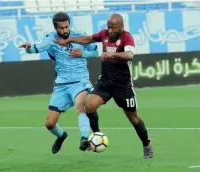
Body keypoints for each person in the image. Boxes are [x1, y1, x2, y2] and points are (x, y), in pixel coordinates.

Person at [54, 13, 154, 159]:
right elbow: (87, 39)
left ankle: (146, 144)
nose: (110, 31)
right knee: (89, 105)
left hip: (123, 85)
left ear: (121, 27)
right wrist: (69, 39)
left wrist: (111, 55)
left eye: (113, 28)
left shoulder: (127, 37)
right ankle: (97, 135)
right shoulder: (104, 34)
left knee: (133, 117)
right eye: (109, 27)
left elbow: (129, 55)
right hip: (105, 82)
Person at [19, 12, 100, 154]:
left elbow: (95, 52)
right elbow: (36, 48)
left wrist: (83, 54)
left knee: (81, 106)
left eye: (67, 27)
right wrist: (28, 46)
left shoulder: (79, 35)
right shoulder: (50, 38)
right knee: (50, 123)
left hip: (80, 81)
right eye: (61, 28)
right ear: (55, 28)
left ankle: (83, 139)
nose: (65, 30)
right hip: (61, 85)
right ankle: (61, 136)